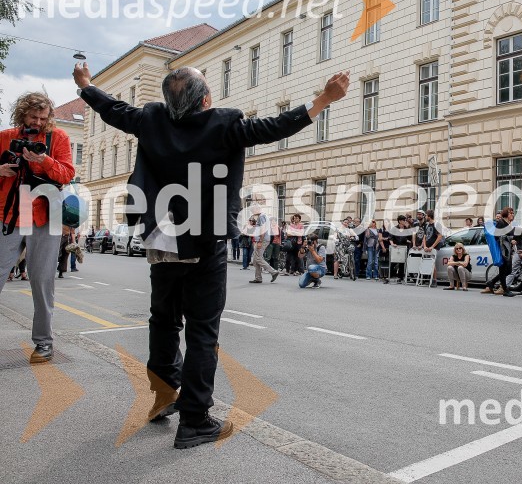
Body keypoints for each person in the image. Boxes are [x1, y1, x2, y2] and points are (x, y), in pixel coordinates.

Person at [74, 61, 349, 448]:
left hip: (161, 237)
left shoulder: (151, 119)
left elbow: (113, 109)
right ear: (205, 99)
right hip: (204, 240)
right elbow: (274, 127)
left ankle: (163, 394)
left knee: (163, 320)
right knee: (202, 330)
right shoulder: (223, 125)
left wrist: (87, 86)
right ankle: (195, 420)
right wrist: (323, 99)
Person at [0, 92, 75, 363]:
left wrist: (42, 161)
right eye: (34, 117)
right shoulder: (6, 136)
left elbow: (67, 174)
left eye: (44, 118)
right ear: (22, 115)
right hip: (9, 213)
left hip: (46, 214)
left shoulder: (59, 138)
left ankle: (44, 343)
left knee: (42, 282)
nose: (39, 122)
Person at [482, 207, 517, 297]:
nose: (512, 214)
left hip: (507, 250)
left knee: (508, 270)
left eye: (513, 213)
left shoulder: (507, 224)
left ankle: (492, 282)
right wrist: (510, 239)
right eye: (510, 213)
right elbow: (497, 236)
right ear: (505, 214)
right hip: (502, 250)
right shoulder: (501, 223)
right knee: (503, 270)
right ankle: (505, 290)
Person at [248, 209, 279, 284]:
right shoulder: (263, 216)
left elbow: (263, 229)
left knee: (258, 258)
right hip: (263, 239)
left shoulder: (261, 217)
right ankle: (258, 278)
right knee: (256, 260)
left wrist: (260, 241)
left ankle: (273, 271)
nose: (252, 213)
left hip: (262, 240)